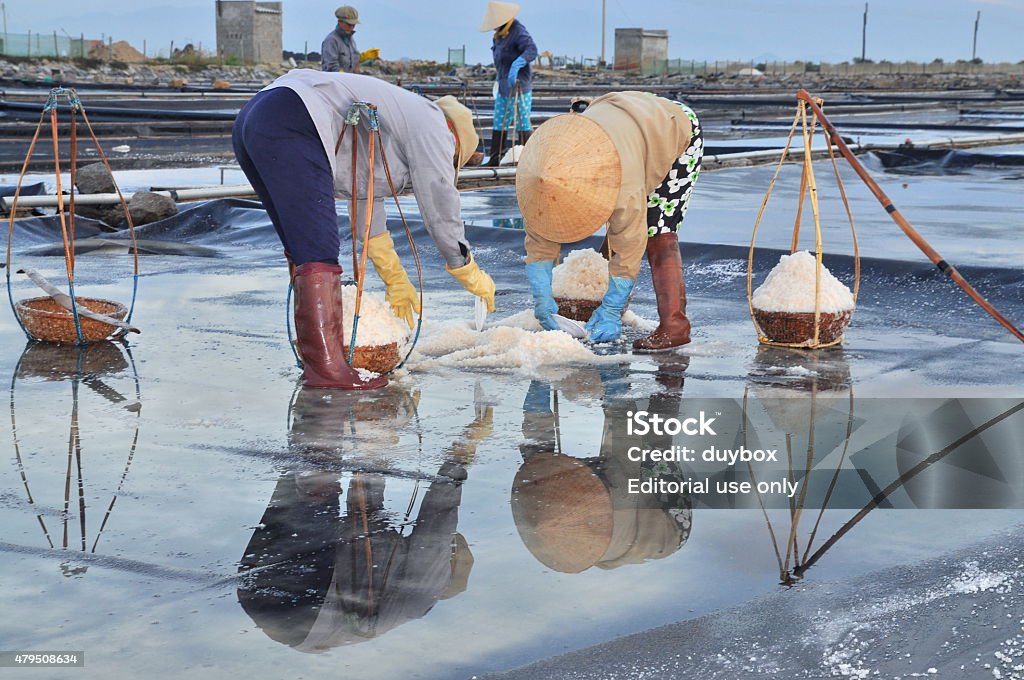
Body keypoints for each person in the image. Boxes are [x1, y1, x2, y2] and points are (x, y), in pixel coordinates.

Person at [232, 70, 496, 390]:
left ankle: (316, 359)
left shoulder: (396, 122)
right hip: (293, 117)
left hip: (256, 117)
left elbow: (364, 199)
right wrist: (463, 265)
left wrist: (394, 277)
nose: (446, 162)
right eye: (453, 159)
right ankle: (326, 370)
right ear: (455, 142)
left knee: (302, 244)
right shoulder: (434, 125)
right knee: (318, 248)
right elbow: (439, 199)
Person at [517, 91, 703, 352]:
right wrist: (542, 299)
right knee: (616, 219)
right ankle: (612, 303)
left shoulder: (623, 179)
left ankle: (674, 326)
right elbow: (540, 234)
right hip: (623, 118)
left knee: (656, 229)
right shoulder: (541, 173)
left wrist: (612, 310)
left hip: (672, 126)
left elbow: (629, 239)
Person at [479, 1, 537, 166]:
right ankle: (495, 158)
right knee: (499, 120)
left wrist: (517, 64)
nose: (493, 28)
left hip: (520, 85)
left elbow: (532, 50)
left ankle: (527, 161)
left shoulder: (518, 31)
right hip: (504, 85)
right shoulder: (498, 36)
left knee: (522, 121)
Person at [321, 5, 377, 73]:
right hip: (334, 81)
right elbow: (331, 66)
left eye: (353, 25)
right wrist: (341, 75)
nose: (352, 27)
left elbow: (353, 60)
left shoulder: (350, 39)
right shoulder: (331, 40)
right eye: (349, 24)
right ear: (340, 22)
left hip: (347, 80)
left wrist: (363, 57)